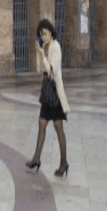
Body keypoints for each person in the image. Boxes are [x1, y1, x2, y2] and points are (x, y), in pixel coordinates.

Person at [25, 18, 70, 177]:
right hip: (48, 93)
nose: (42, 37)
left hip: (55, 94)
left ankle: (63, 162)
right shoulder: (47, 47)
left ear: (51, 32)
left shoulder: (56, 47)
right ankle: (36, 158)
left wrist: (41, 54)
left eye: (44, 33)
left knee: (58, 129)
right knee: (42, 124)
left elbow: (51, 70)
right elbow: (42, 70)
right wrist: (42, 52)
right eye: (41, 34)